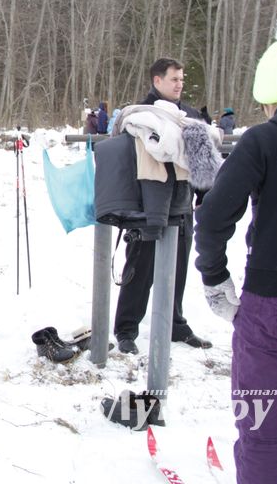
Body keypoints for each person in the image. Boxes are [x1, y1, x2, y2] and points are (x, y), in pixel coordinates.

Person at [195, 11, 277, 484]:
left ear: (270, 96)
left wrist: (214, 278)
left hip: (273, 308)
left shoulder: (262, 140)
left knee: (263, 431)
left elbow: (213, 216)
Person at [113, 58, 212, 354]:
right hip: (147, 205)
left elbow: (201, 163)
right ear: (157, 81)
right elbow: (126, 161)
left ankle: (175, 325)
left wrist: (203, 196)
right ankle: (126, 329)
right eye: (174, 79)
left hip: (182, 204)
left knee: (177, 271)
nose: (180, 84)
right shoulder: (139, 116)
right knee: (140, 269)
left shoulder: (191, 116)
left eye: (182, 79)